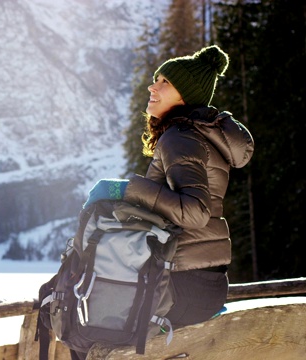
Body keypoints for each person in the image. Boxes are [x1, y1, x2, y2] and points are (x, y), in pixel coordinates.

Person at [74, 45, 254, 360]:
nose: (152, 87)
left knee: (84, 336)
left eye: (164, 82)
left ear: (184, 95)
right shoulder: (201, 135)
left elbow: (195, 212)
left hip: (179, 284)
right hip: (207, 284)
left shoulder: (179, 137)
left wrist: (125, 189)